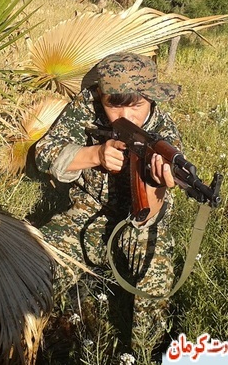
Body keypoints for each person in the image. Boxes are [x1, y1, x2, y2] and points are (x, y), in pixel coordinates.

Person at [35, 52, 183, 356]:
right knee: (36, 266)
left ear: (152, 98)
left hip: (140, 221)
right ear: (100, 98)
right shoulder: (86, 108)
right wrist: (95, 155)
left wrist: (156, 182)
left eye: (137, 106)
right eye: (114, 106)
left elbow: (152, 214)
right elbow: (43, 154)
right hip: (87, 213)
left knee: (154, 274)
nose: (126, 117)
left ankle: (144, 353)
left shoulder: (164, 133)